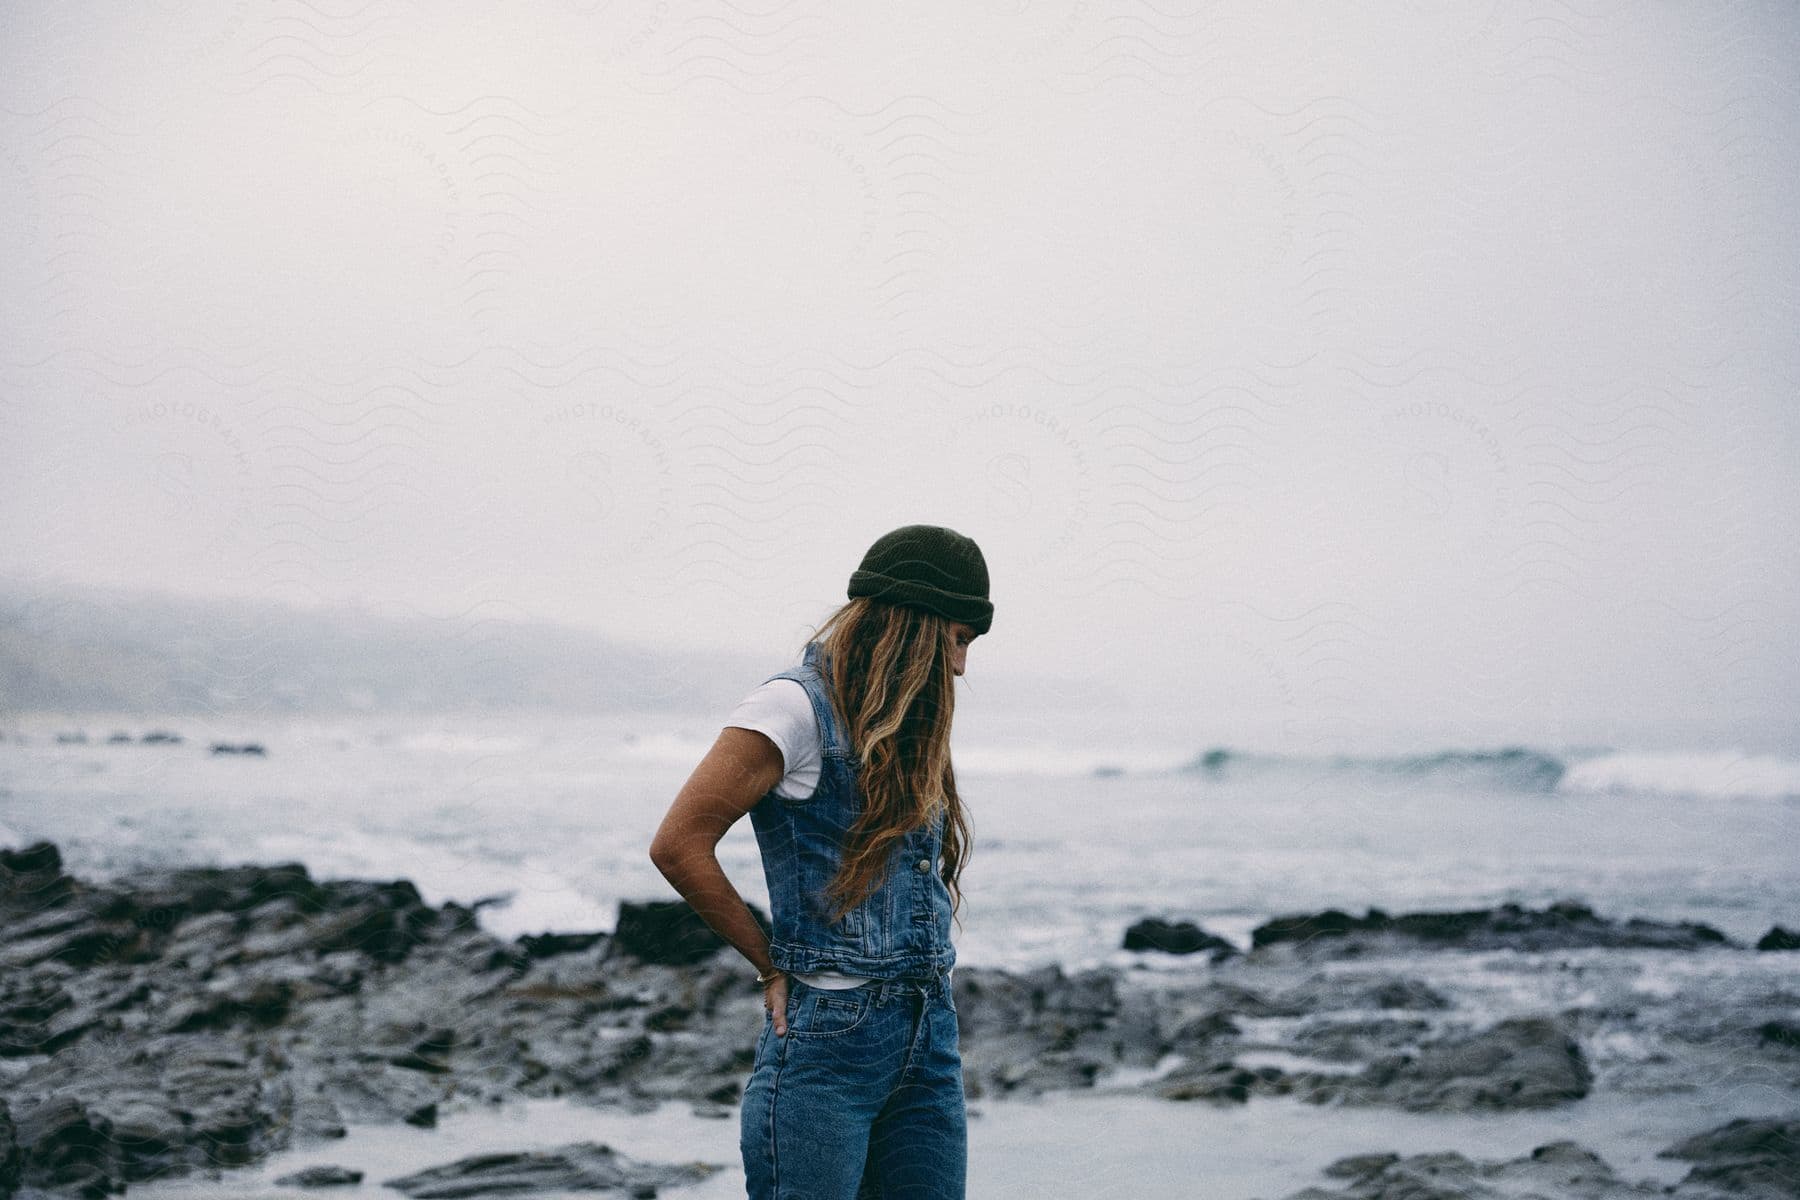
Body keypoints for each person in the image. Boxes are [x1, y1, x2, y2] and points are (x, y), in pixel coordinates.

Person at [648, 523, 992, 1200]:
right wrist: (768, 962)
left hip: (929, 1035)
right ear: (913, 624)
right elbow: (679, 843)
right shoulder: (792, 706)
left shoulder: (905, 724)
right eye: (957, 639)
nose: (960, 665)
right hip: (827, 1049)